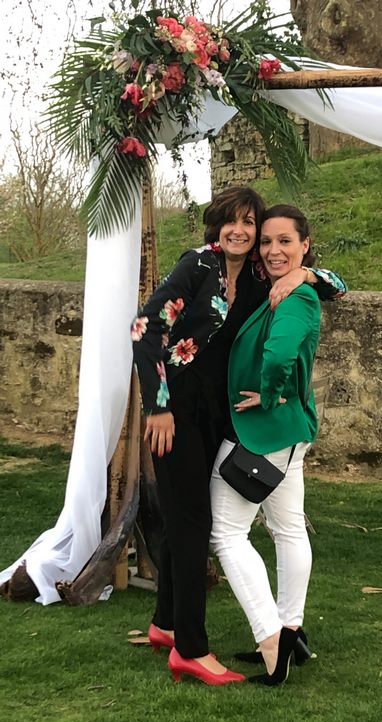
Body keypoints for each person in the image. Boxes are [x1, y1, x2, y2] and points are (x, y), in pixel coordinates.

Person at [131, 188, 346, 686]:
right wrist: (157, 407)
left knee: (189, 515)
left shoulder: (256, 274)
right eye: (232, 221)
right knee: (192, 523)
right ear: (217, 225)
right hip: (177, 412)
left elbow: (338, 287)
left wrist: (305, 274)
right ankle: (191, 649)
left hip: (219, 416)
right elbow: (145, 330)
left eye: (250, 223)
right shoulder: (197, 266)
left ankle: (165, 623)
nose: (241, 231)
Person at [210, 204, 323, 686]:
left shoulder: (296, 297)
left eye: (285, 242)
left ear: (305, 246)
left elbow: (279, 354)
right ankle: (291, 628)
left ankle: (271, 638)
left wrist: (270, 391)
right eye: (267, 241)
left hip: (265, 430)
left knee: (227, 533)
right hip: (288, 432)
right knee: (288, 528)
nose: (274, 250)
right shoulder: (287, 286)